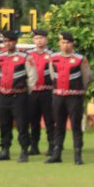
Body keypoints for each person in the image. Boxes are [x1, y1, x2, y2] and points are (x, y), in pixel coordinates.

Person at [45, 32, 92, 165]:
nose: (65, 45)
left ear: (72, 44)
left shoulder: (80, 59)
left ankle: (77, 155)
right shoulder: (53, 57)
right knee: (58, 125)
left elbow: (86, 76)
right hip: (58, 96)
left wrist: (79, 89)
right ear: (59, 44)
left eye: (68, 43)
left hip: (74, 96)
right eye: (63, 42)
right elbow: (52, 75)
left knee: (76, 125)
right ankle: (56, 153)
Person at [0, 30, 35, 162]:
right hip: (4, 96)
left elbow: (32, 76)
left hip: (19, 96)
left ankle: (24, 151)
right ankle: (5, 150)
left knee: (22, 124)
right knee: (4, 124)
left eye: (10, 41)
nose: (7, 43)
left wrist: (26, 91)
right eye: (5, 41)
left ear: (15, 42)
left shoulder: (25, 57)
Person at [26, 28, 55, 157]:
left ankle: (52, 146)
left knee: (49, 120)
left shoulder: (52, 55)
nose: (39, 41)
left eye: (41, 38)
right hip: (33, 92)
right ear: (33, 40)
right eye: (36, 38)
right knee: (33, 120)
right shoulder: (28, 55)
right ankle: (34, 146)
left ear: (46, 39)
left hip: (47, 91)